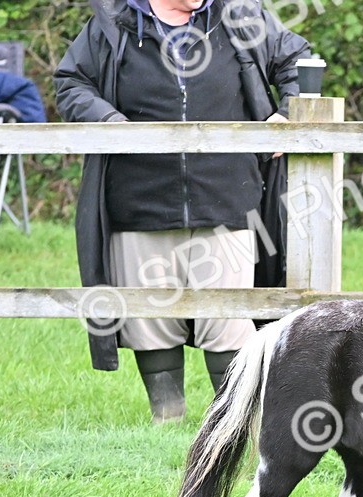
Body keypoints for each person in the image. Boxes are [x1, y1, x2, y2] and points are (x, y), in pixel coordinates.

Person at [54, 0, 310, 424]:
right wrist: (110, 122)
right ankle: (166, 418)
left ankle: (234, 425)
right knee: (150, 319)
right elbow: (71, 82)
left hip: (226, 196)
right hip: (139, 199)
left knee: (227, 318)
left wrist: (288, 112)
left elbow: (299, 60)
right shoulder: (113, 23)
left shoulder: (239, 16)